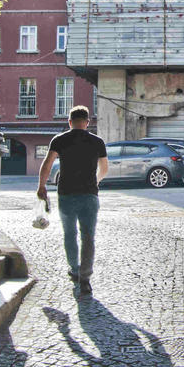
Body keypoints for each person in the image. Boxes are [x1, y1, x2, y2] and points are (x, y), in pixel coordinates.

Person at [37, 106, 109, 295]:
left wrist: (42, 186)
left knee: (69, 234)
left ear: (69, 122)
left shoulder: (59, 140)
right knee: (88, 236)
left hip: (66, 194)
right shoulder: (97, 142)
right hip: (89, 195)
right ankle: (85, 277)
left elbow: (47, 164)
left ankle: (75, 270)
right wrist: (96, 181)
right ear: (87, 122)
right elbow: (104, 168)